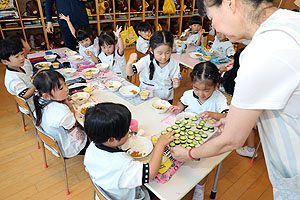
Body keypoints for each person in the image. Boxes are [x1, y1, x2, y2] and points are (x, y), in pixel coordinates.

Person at [171, 0, 300, 198]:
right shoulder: (292, 21)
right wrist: (234, 119)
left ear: (230, 4)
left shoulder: (262, 51)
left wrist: (188, 154)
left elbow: (232, 139)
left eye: (212, 18)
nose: (213, 27)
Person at [83, 102, 174, 199]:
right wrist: (160, 145)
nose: (129, 132)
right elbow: (150, 173)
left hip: (105, 191)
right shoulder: (123, 165)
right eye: (127, 131)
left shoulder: (92, 147)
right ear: (111, 140)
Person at [170, 61, 228, 200]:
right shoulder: (189, 94)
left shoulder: (219, 99)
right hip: (187, 131)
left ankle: (200, 186)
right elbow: (181, 103)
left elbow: (227, 115)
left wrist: (213, 114)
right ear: (192, 85)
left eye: (206, 90)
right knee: (177, 153)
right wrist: (178, 109)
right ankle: (179, 180)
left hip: (207, 138)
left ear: (216, 86)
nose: (201, 94)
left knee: (202, 165)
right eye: (196, 88)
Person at [33, 70, 88, 158]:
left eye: (65, 84)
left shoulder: (39, 100)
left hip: (53, 143)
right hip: (66, 147)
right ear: (47, 96)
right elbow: (73, 128)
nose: (66, 89)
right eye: (61, 88)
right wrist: (70, 107)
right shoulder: (62, 112)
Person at [126, 31, 181, 104]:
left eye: (168, 52)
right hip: (146, 98)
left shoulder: (175, 64)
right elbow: (130, 73)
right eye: (160, 53)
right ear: (151, 50)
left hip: (166, 99)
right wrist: (130, 63)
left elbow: (176, 81)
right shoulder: (145, 61)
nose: (164, 57)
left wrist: (176, 84)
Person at [0, 38, 36, 113]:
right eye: (17, 56)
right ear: (5, 61)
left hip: (33, 98)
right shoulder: (13, 79)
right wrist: (37, 83)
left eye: (22, 54)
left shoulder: (17, 68)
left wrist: (35, 77)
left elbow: (26, 81)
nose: (22, 58)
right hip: (32, 106)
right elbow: (25, 95)